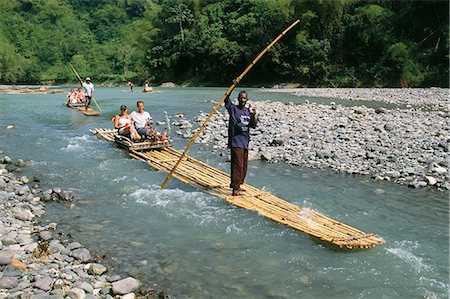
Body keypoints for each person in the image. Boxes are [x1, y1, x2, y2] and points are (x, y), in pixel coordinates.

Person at [225, 90, 257, 196]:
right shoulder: (233, 109)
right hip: (236, 141)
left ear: (247, 100)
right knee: (237, 165)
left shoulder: (248, 111)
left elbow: (253, 125)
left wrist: (253, 115)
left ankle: (239, 185)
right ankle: (235, 189)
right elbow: (226, 97)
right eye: (241, 98)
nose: (243, 100)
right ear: (238, 99)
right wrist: (233, 85)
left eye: (244, 98)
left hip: (245, 141)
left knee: (244, 166)